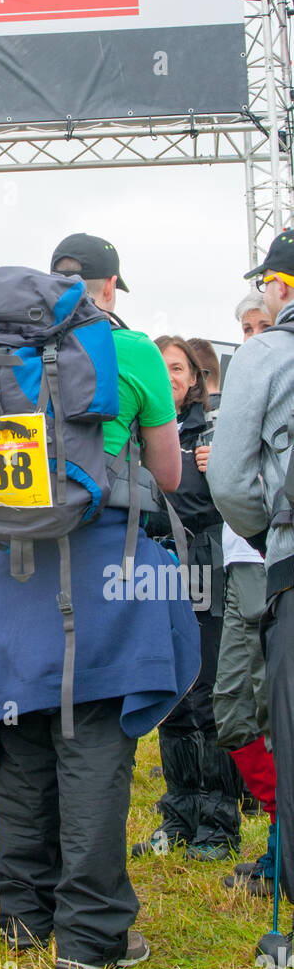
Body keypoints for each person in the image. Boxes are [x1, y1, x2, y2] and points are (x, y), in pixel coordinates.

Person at [0, 234, 198, 969]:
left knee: (20, 728)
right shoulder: (127, 355)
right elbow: (166, 472)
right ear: (106, 288)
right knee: (91, 733)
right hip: (99, 564)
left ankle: (22, 915)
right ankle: (92, 935)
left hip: (7, 565)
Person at [208, 229, 294, 969]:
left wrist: (274, 534)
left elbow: (230, 480)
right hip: (255, 568)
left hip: (278, 563)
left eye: (268, 288)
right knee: (244, 711)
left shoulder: (267, 357)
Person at [137, 336, 241, 861]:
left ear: (195, 377)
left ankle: (218, 823)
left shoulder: (214, 430)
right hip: (150, 572)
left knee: (206, 700)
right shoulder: (137, 432)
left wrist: (210, 465)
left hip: (203, 569)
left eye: (178, 367)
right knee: (171, 697)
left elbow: (201, 503)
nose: (170, 375)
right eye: (160, 366)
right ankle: (178, 813)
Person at [207, 298, 279, 894]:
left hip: (272, 560)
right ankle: (283, 835)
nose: (255, 338)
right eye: (246, 331)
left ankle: (281, 852)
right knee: (233, 712)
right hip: (240, 565)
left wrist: (260, 529)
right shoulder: (243, 387)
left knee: (278, 714)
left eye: (263, 326)